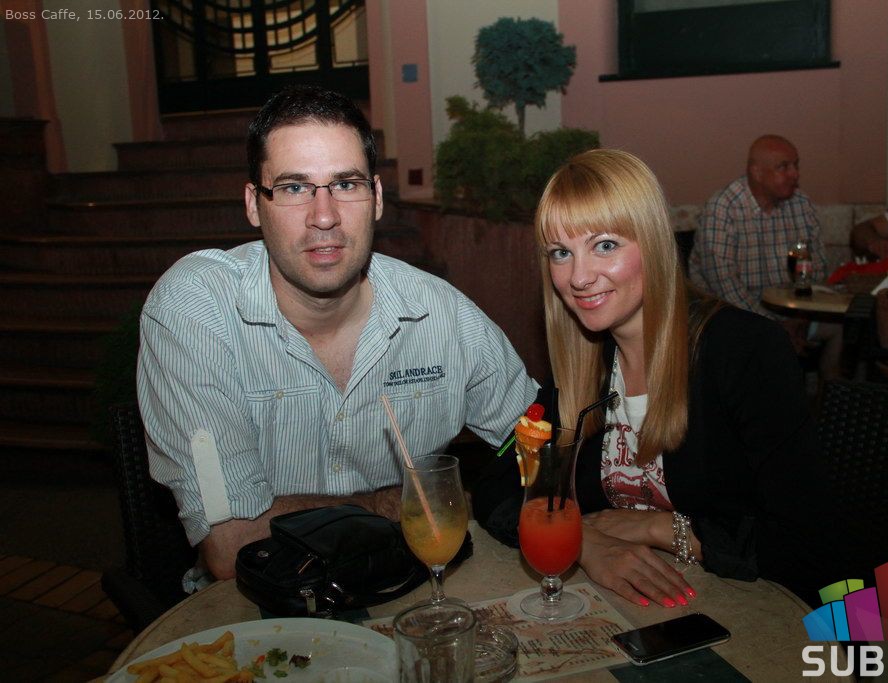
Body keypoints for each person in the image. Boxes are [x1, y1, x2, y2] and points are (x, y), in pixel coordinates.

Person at [137, 85, 536, 581]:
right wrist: (392, 503)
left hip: (417, 585)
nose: (323, 217)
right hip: (265, 602)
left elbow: (540, 444)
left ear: (377, 198)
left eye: (346, 184)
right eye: (294, 188)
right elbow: (230, 546)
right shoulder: (197, 311)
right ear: (254, 204)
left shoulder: (442, 315)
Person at [473, 149, 837, 608]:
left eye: (605, 245)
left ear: (654, 243)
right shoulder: (584, 362)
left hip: (758, 609)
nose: (579, 277)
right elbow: (496, 485)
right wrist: (583, 541)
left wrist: (660, 527)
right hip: (637, 611)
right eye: (561, 253)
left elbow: (806, 538)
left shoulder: (744, 351)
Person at [688, 134, 841, 379]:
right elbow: (725, 288)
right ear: (757, 173)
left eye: (796, 165)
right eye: (784, 167)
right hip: (730, 317)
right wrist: (775, 327)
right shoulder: (723, 208)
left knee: (839, 328)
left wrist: (801, 317)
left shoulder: (800, 203)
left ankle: (829, 399)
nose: (794, 174)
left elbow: (818, 268)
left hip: (793, 314)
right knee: (760, 344)